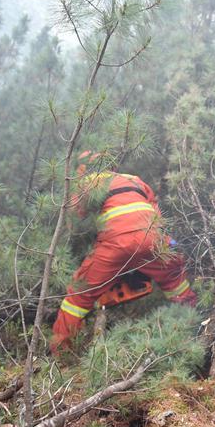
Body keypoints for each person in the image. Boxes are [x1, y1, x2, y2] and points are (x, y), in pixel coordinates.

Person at [50, 152, 196, 354]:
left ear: (81, 170)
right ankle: (195, 332)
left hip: (115, 245)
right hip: (152, 238)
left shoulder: (87, 183)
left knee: (77, 298)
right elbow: (156, 214)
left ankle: (60, 354)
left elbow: (74, 220)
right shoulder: (133, 179)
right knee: (176, 282)